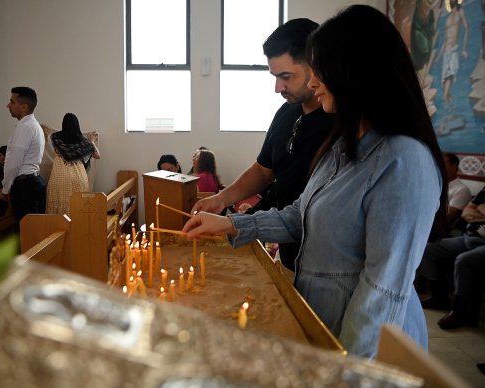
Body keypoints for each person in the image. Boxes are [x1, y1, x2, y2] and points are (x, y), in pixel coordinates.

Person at [183, 4, 447, 358]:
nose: (312, 82)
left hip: (366, 349)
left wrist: (343, 367)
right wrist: (230, 223)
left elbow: (382, 288)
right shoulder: (342, 145)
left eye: (320, 71)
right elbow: (299, 215)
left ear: (353, 72)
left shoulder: (403, 159)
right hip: (323, 324)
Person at [191, 18, 333, 269]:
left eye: (286, 76)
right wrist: (221, 199)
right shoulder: (286, 113)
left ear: (315, 65)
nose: (278, 87)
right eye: (275, 76)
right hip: (289, 254)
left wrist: (237, 224)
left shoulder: (338, 122)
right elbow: (263, 169)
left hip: (324, 262)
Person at [417, 185, 485, 329]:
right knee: (427, 249)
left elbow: (472, 213)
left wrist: (479, 212)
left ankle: (459, 310)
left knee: (464, 260)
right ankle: (439, 297)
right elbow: (466, 212)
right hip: (468, 237)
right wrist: (478, 212)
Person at [2, 86, 46, 223]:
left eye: (12, 102)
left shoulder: (25, 127)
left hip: (25, 187)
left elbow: (14, 163)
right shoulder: (34, 125)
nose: (8, 105)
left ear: (24, 107)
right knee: (34, 231)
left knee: (26, 233)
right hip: (33, 183)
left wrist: (5, 188)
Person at [46, 113, 99, 215]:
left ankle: (59, 229)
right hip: (78, 178)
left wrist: (45, 130)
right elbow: (97, 155)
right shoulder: (83, 142)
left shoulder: (54, 138)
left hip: (59, 177)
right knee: (77, 206)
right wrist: (92, 141)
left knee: (59, 204)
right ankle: (78, 229)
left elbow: (47, 135)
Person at [434, 0, 469, 103]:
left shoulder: (461, 12)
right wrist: (438, 58)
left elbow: (467, 28)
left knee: (448, 83)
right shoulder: (447, 19)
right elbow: (445, 41)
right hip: (446, 54)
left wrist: (464, 48)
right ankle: (452, 109)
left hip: (453, 52)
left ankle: (449, 108)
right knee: (445, 87)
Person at [443, 153, 471, 233]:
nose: (438, 167)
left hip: (445, 232)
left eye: (442, 164)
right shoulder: (435, 186)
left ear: (454, 168)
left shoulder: (462, 190)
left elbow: (447, 220)